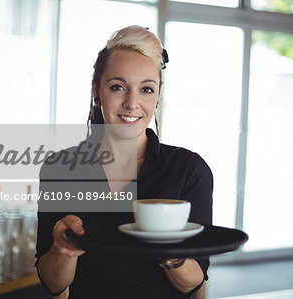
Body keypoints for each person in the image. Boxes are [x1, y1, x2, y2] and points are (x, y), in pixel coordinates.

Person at [35, 25, 213, 299]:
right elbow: (53, 282)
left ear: (158, 94)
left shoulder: (188, 169)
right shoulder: (60, 167)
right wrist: (63, 250)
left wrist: (169, 250)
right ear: (96, 89)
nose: (132, 103)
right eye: (118, 87)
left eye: (146, 89)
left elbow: (193, 281)